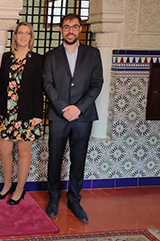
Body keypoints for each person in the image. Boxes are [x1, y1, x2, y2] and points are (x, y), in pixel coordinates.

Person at [43, 13, 103, 223]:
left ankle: (74, 200)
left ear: (80, 29)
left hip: (83, 116)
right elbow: (47, 85)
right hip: (58, 117)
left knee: (78, 159)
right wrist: (63, 108)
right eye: (66, 27)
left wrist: (78, 109)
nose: (70, 30)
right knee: (55, 158)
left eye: (75, 26)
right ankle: (53, 198)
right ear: (61, 29)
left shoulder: (93, 53)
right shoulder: (51, 55)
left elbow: (97, 84)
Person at [0, 21, 44, 205]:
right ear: (14, 36)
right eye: (20, 32)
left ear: (31, 37)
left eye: (27, 33)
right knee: (5, 151)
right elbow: (0, 83)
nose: (23, 36)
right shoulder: (6, 57)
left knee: (23, 152)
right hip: (7, 114)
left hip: (27, 114)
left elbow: (39, 88)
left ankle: (19, 190)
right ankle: (6, 185)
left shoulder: (37, 59)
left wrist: (38, 113)